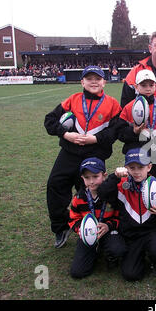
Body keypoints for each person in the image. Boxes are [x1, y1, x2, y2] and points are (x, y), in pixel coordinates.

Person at [44, 66, 122, 248]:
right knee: (55, 185)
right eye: (89, 78)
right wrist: (66, 134)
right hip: (69, 153)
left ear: (104, 82)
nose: (93, 82)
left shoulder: (112, 104)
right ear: (82, 82)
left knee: (92, 192)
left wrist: (96, 139)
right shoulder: (73, 100)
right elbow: (50, 120)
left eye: (98, 78)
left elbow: (117, 130)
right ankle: (61, 228)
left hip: (95, 154)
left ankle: (94, 230)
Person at [118, 69, 156, 242]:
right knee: (136, 190)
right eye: (143, 85)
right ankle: (136, 223)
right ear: (136, 86)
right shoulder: (129, 108)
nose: (148, 88)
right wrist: (133, 131)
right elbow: (120, 134)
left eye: (151, 85)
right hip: (136, 157)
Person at [97, 148, 156, 281]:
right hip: (131, 236)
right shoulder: (121, 185)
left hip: (151, 233)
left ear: (149, 167)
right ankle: (137, 257)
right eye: (132, 167)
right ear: (126, 168)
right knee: (131, 275)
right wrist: (114, 176)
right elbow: (102, 193)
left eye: (141, 167)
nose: (136, 171)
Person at [69, 157, 127, 279]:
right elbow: (73, 219)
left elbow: (119, 217)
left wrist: (108, 226)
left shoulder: (112, 195)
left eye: (95, 176)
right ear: (82, 178)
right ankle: (94, 252)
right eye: (87, 177)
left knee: (118, 249)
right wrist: (80, 230)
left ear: (104, 176)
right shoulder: (79, 198)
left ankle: (109, 254)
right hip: (88, 234)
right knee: (77, 273)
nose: (91, 182)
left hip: (108, 231)